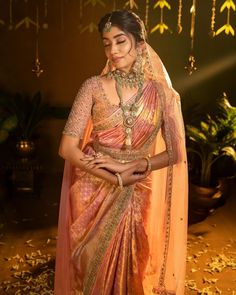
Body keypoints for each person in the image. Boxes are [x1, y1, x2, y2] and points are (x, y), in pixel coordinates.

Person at [54, 9, 188, 295]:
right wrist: (112, 175)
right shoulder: (91, 87)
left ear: (140, 43)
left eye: (120, 41)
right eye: (106, 42)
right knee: (90, 265)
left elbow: (176, 152)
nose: (112, 51)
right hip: (93, 189)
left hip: (137, 190)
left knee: (132, 267)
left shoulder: (162, 94)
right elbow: (66, 148)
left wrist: (132, 168)